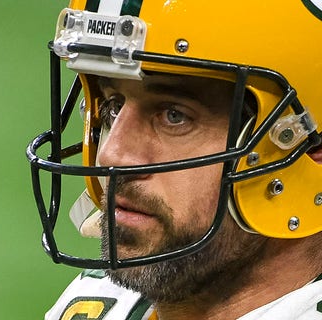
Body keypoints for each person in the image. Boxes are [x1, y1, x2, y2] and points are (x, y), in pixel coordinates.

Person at [25, 0, 322, 319]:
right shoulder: (100, 302)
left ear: (308, 151)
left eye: (174, 115)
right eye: (113, 106)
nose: (112, 155)